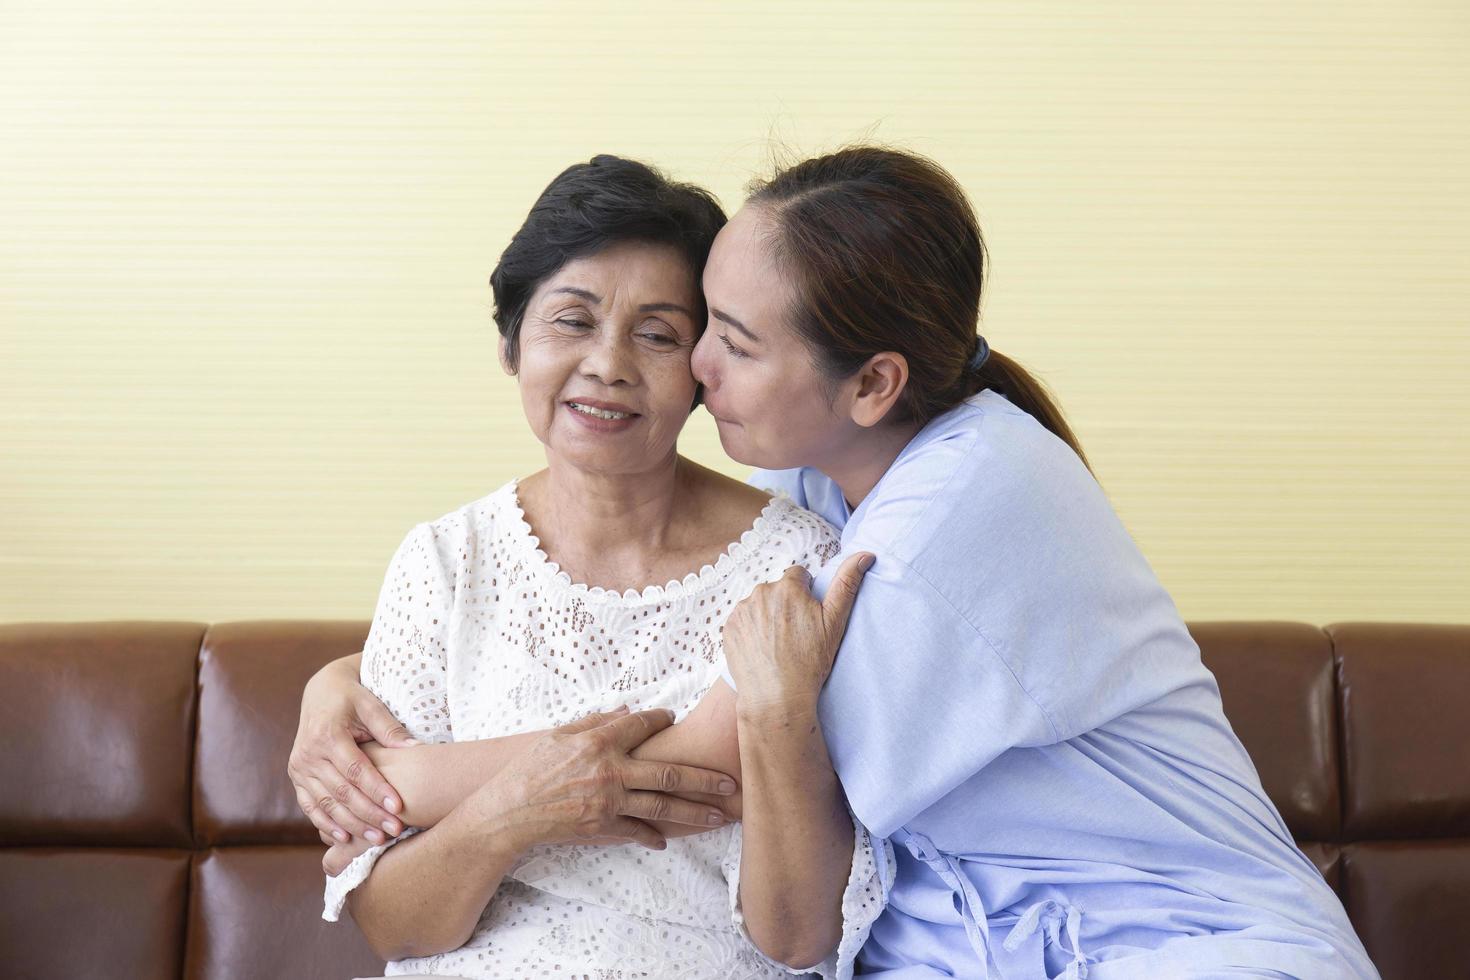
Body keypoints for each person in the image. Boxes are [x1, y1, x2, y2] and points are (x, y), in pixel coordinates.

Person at [297, 146, 1378, 978]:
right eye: (704, 326)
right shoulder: (818, 472)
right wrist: (333, 685)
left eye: (714, 337)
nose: (691, 371)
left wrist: (394, 775)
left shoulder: (940, 517)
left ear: (872, 383)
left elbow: (692, 772)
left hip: (1169, 942)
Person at [298, 153, 887, 979]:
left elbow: (798, 937)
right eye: (571, 321)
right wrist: (513, 812)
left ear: (706, 371)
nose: (609, 364)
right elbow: (393, 927)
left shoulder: (796, 565)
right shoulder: (442, 564)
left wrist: (433, 781)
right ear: (512, 343)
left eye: (657, 334)